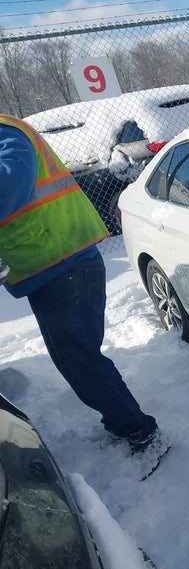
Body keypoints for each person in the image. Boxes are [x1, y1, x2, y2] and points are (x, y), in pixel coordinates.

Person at [0, 115, 166, 475]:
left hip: (68, 261)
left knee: (81, 359)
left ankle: (143, 434)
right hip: (46, 264)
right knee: (70, 358)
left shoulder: (6, 131)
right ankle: (122, 423)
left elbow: (9, 185)